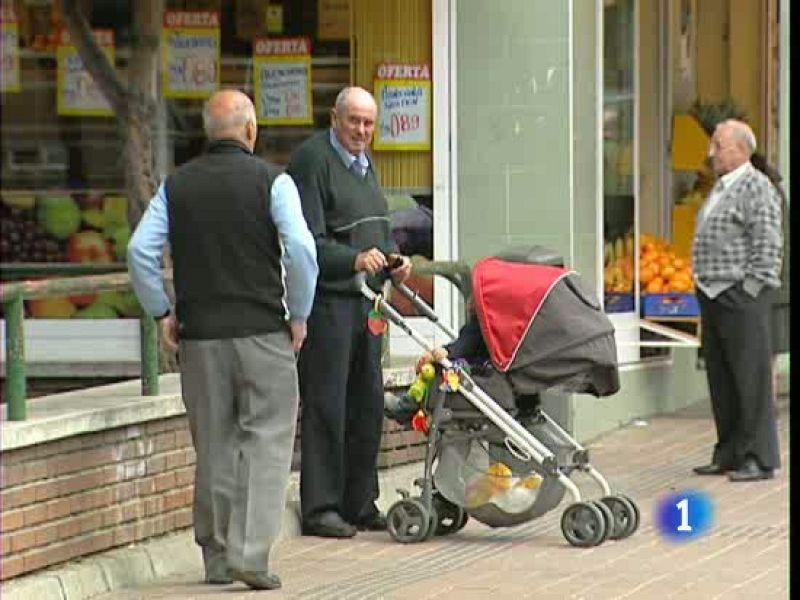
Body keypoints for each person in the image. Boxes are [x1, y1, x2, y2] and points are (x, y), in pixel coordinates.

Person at [127, 89, 318, 590]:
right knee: (266, 441)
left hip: (200, 337)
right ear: (251, 130)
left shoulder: (176, 186)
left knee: (213, 443)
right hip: (262, 332)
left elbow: (138, 251)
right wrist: (299, 313)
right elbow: (300, 249)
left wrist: (162, 310)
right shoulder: (274, 181)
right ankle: (250, 555)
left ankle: (214, 555)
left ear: (208, 134)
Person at [286, 86, 412, 538]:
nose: (362, 130)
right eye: (354, 121)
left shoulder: (364, 165)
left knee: (366, 403)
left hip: (368, 303)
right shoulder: (313, 161)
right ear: (335, 118)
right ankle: (321, 509)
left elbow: (375, 227)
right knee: (326, 404)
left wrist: (396, 258)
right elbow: (305, 240)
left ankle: (360, 502)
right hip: (329, 302)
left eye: (369, 123)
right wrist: (353, 260)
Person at [691, 119, 783, 482]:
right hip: (713, 293)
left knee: (750, 377)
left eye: (718, 145)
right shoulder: (722, 187)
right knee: (722, 377)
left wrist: (752, 287)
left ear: (741, 149)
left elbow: (768, 241)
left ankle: (758, 457)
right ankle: (728, 450)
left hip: (740, 294)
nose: (711, 153)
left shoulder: (756, 187)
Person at [750, 152, 790, 400]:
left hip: (769, 286)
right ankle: (766, 403)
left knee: (762, 351)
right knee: (767, 353)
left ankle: (764, 406)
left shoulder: (765, 195)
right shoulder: (774, 191)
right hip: (776, 284)